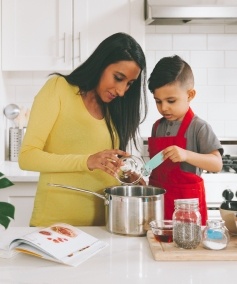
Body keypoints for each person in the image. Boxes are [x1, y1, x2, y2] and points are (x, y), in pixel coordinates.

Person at [18, 32, 148, 227]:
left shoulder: (115, 108)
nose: (121, 91)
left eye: (129, 84)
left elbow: (102, 167)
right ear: (101, 64)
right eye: (118, 77)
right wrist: (87, 160)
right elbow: (27, 157)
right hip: (55, 227)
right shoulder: (58, 88)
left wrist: (125, 177)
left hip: (104, 227)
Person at [147, 55, 223, 225]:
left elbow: (217, 164)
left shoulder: (199, 127)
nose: (164, 107)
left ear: (190, 94)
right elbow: (157, 162)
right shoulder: (157, 126)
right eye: (158, 101)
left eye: (171, 101)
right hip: (159, 204)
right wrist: (141, 171)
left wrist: (187, 155)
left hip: (188, 208)